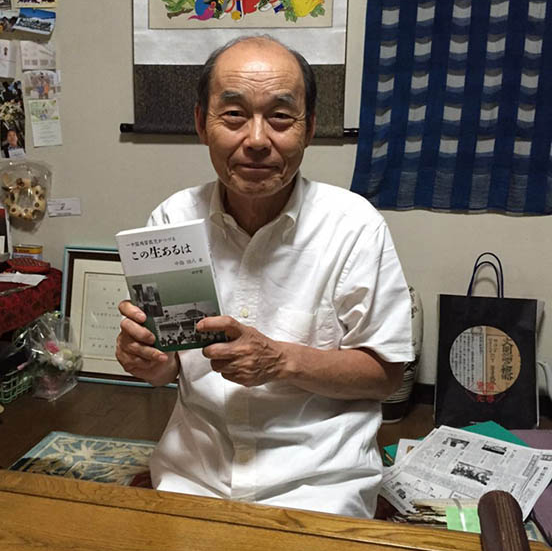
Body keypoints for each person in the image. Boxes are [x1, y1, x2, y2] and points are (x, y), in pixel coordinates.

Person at [115, 35, 413, 517]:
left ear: (309, 128)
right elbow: (168, 366)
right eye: (234, 115)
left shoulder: (354, 226)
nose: (256, 140)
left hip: (319, 481)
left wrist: (280, 360)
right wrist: (148, 360)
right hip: (194, 471)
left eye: (280, 117)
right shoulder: (173, 220)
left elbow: (386, 375)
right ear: (201, 123)